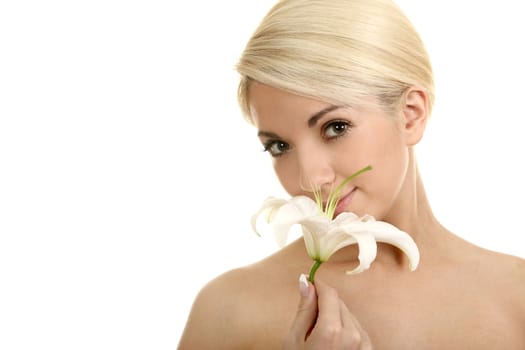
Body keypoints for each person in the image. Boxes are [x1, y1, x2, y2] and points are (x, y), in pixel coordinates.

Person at [177, 0, 525, 348]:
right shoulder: (229, 312)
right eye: (280, 147)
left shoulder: (515, 298)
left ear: (411, 115)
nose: (310, 179)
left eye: (335, 127)